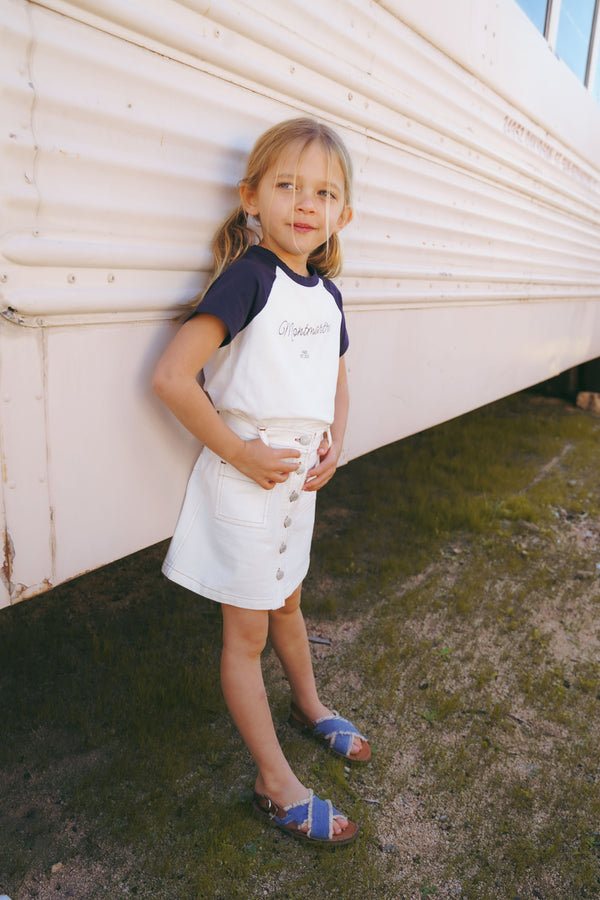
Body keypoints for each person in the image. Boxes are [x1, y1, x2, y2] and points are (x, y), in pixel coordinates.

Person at [153, 117, 371, 847]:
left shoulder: (327, 296)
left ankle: (309, 706)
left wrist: (334, 442)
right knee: (245, 633)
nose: (305, 203)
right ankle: (274, 783)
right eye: (287, 186)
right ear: (252, 197)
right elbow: (173, 377)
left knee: (288, 601)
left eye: (323, 193)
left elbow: (336, 383)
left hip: (295, 492)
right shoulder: (250, 276)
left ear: (343, 214)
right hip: (246, 489)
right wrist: (241, 452)